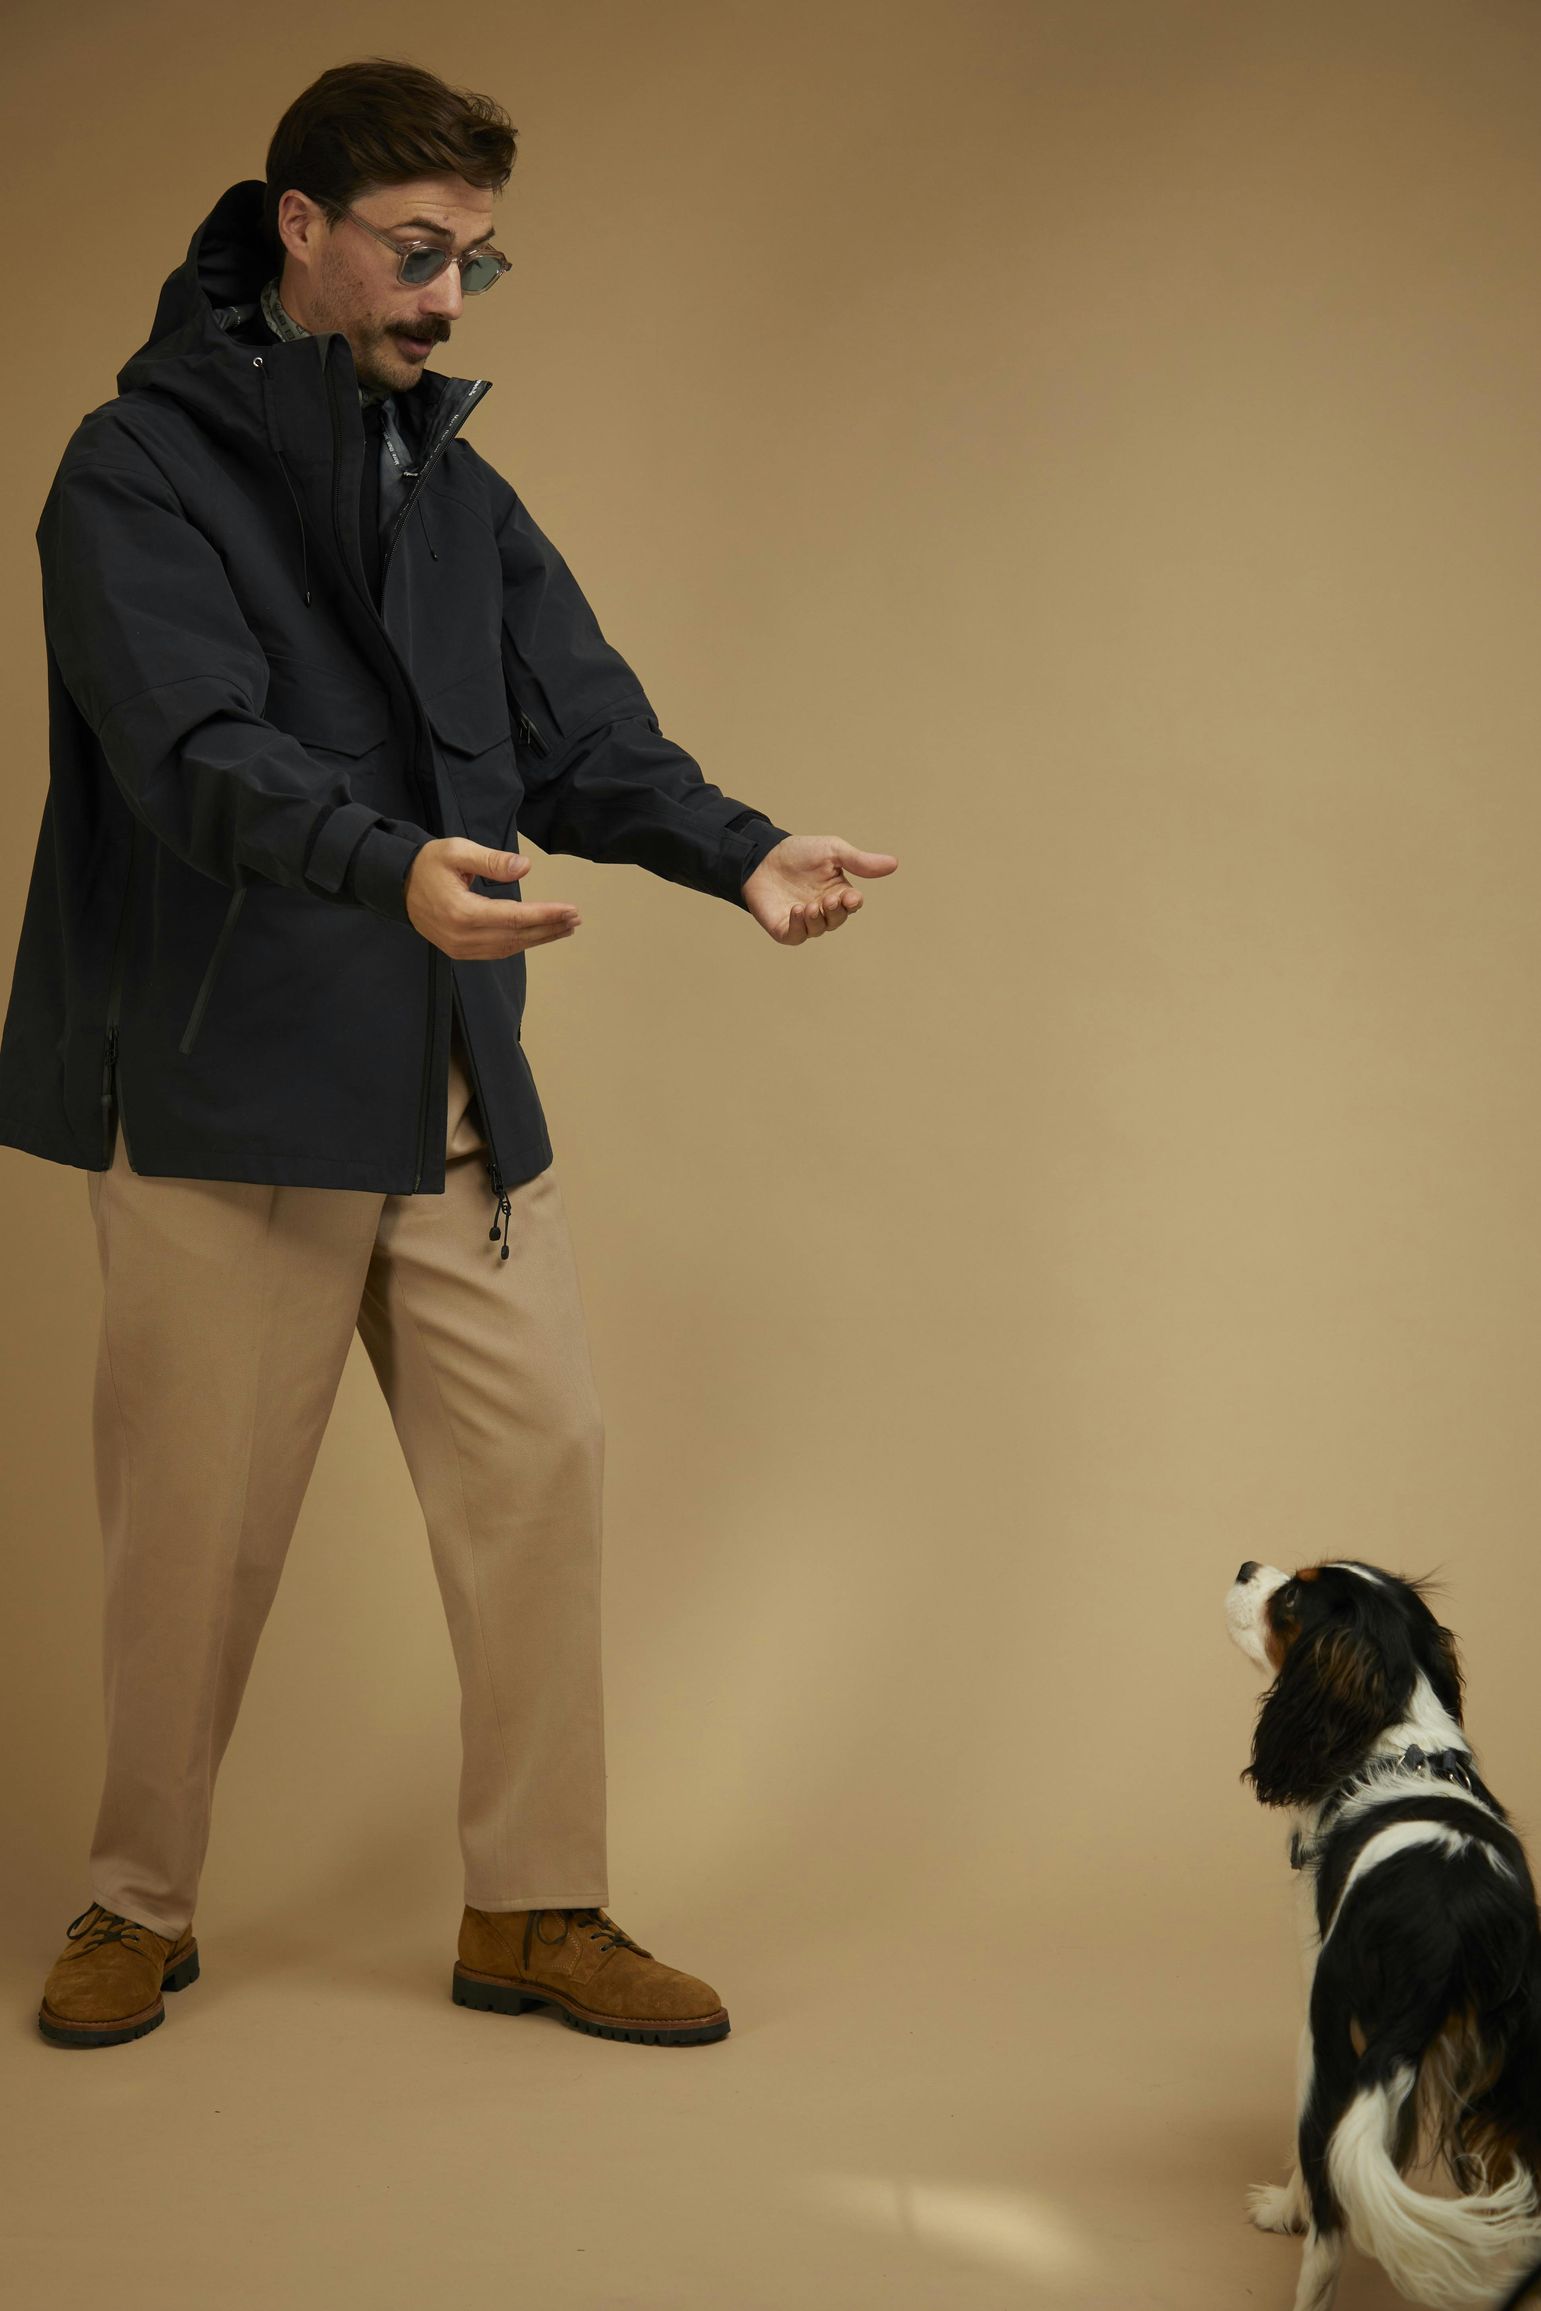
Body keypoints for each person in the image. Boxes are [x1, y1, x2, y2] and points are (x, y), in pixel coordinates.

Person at [0, 55, 897, 2052]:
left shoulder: (458, 493)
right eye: (419, 254)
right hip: (234, 1088)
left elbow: (584, 739)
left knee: (542, 1477)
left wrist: (742, 851)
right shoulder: (126, 474)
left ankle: (536, 1907)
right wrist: (388, 864)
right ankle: (134, 1901)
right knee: (191, 1540)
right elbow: (191, 753)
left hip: (456, 1088)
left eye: (479, 264)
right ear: (299, 228)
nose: (448, 302)